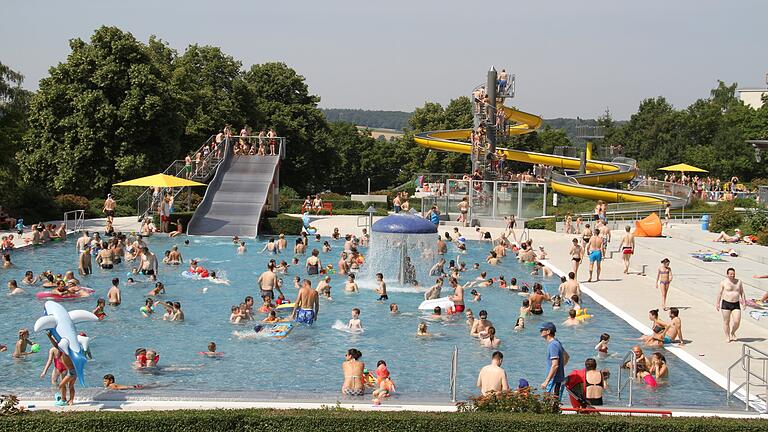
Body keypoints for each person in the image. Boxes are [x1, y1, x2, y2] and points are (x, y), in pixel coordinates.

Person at [539, 322, 569, 398]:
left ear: (548, 331)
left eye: (542, 330)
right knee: (553, 404)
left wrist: (546, 381)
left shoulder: (553, 345)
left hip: (554, 380)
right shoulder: (557, 342)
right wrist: (561, 367)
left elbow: (555, 365)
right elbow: (567, 356)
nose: (540, 331)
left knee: (551, 405)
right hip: (558, 379)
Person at [716, 267, 746, 342]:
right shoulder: (723, 282)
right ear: (727, 274)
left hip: (736, 303)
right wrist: (717, 303)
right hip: (726, 303)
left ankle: (733, 332)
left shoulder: (739, 282)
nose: (732, 275)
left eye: (734, 274)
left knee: (737, 321)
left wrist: (744, 302)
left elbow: (742, 292)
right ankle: (727, 336)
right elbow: (719, 294)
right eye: (731, 274)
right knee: (726, 321)